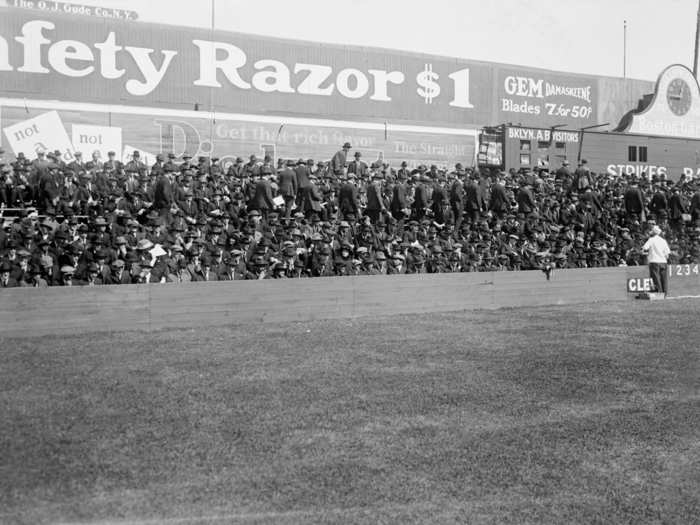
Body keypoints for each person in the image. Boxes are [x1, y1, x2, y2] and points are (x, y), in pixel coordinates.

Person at [642, 225, 671, 297]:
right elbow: (667, 253)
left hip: (654, 261)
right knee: (664, 278)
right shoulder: (663, 241)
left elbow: (644, 248)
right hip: (663, 261)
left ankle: (659, 293)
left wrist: (646, 253)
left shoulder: (651, 240)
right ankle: (665, 293)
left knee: (656, 278)